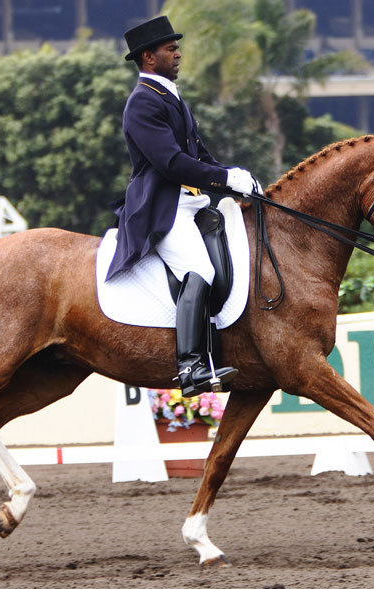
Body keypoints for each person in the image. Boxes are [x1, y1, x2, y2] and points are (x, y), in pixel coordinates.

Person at [106, 16, 261, 398]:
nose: (178, 54)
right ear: (149, 57)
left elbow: (199, 156)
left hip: (192, 203)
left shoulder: (170, 97)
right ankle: (190, 366)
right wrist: (225, 179)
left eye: (177, 48)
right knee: (200, 269)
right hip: (162, 207)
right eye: (170, 49)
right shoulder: (142, 102)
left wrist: (236, 176)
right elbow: (171, 163)